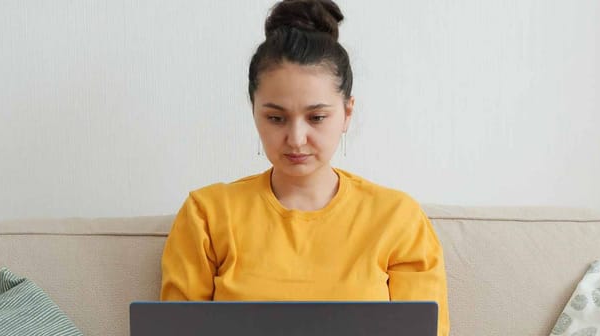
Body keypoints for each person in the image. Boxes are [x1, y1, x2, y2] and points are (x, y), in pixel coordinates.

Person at [160, 0, 449, 334]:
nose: (296, 139)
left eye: (317, 117)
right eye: (276, 118)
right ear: (253, 110)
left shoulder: (398, 219)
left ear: (347, 112)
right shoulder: (206, 215)